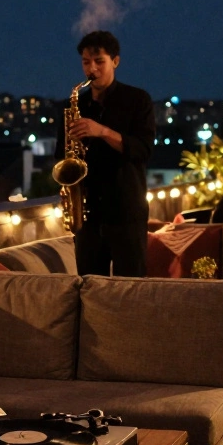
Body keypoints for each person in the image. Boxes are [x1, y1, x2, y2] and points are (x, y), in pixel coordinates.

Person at [55, 30, 156, 276]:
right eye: (86, 62)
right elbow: (62, 154)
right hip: (88, 216)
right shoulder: (75, 105)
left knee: (130, 290)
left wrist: (102, 131)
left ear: (115, 61)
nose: (92, 69)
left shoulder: (137, 100)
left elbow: (143, 150)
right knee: (90, 289)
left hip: (126, 212)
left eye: (99, 61)